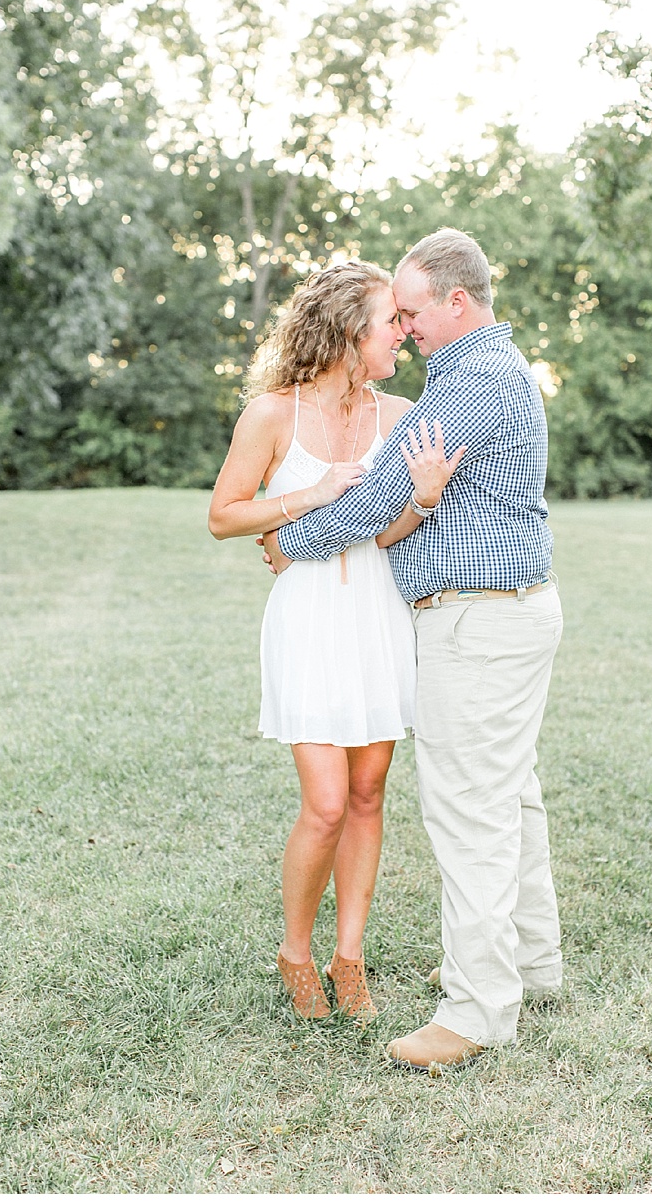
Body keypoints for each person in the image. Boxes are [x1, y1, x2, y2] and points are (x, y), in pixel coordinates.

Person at [274, 227, 562, 1075]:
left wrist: (294, 538)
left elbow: (382, 500)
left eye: (411, 312)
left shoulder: (471, 381)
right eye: (394, 315)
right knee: (511, 800)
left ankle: (477, 1009)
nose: (404, 328)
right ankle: (531, 966)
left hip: (478, 623)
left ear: (456, 302)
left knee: (471, 813)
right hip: (506, 615)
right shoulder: (485, 371)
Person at [208, 259, 462, 1023]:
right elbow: (224, 515)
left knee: (367, 793)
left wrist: (420, 500)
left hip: (378, 614)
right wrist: (307, 496)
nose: (404, 336)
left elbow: (385, 531)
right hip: (308, 619)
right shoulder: (271, 416)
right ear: (353, 331)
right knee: (323, 804)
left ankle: (348, 956)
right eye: (392, 323)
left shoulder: (402, 416)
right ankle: (294, 949)